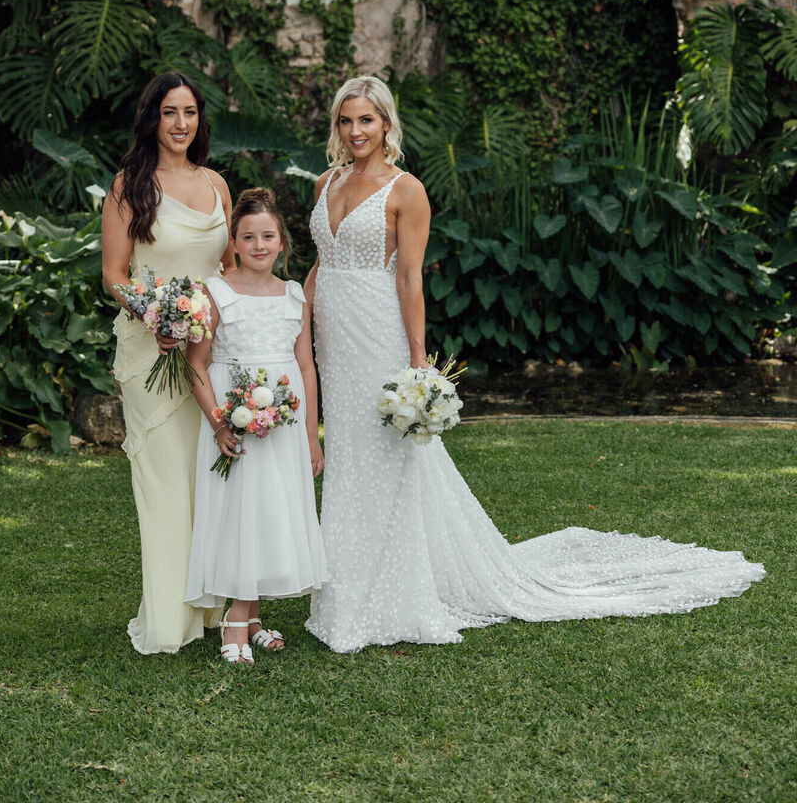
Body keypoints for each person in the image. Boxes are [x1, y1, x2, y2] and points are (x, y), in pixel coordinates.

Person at [304, 75, 765, 654]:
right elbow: (321, 265)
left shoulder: (407, 190)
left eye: (366, 120)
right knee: (347, 454)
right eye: (346, 121)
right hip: (332, 335)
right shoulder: (325, 182)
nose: (355, 132)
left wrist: (419, 366)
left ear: (387, 123)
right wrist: (300, 322)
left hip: (377, 334)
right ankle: (343, 587)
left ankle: (393, 593)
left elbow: (409, 277)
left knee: (387, 456)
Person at [102, 71, 234, 654]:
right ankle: (167, 621)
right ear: (152, 118)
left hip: (212, 355)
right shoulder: (129, 185)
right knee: (163, 484)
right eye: (170, 112)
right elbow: (114, 275)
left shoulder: (216, 184)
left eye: (190, 112)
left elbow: (229, 269)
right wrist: (156, 317)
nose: (182, 124)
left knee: (205, 481)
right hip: (150, 353)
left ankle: (207, 611)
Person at [184, 188, 327, 664]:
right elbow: (196, 364)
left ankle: (254, 618)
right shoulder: (216, 291)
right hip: (235, 413)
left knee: (270, 510)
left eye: (268, 236)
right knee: (237, 510)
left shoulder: (293, 295)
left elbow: (305, 366)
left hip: (285, 420)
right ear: (235, 242)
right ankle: (234, 618)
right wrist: (220, 422)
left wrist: (311, 433)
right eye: (249, 237)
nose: (259, 245)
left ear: (282, 242)